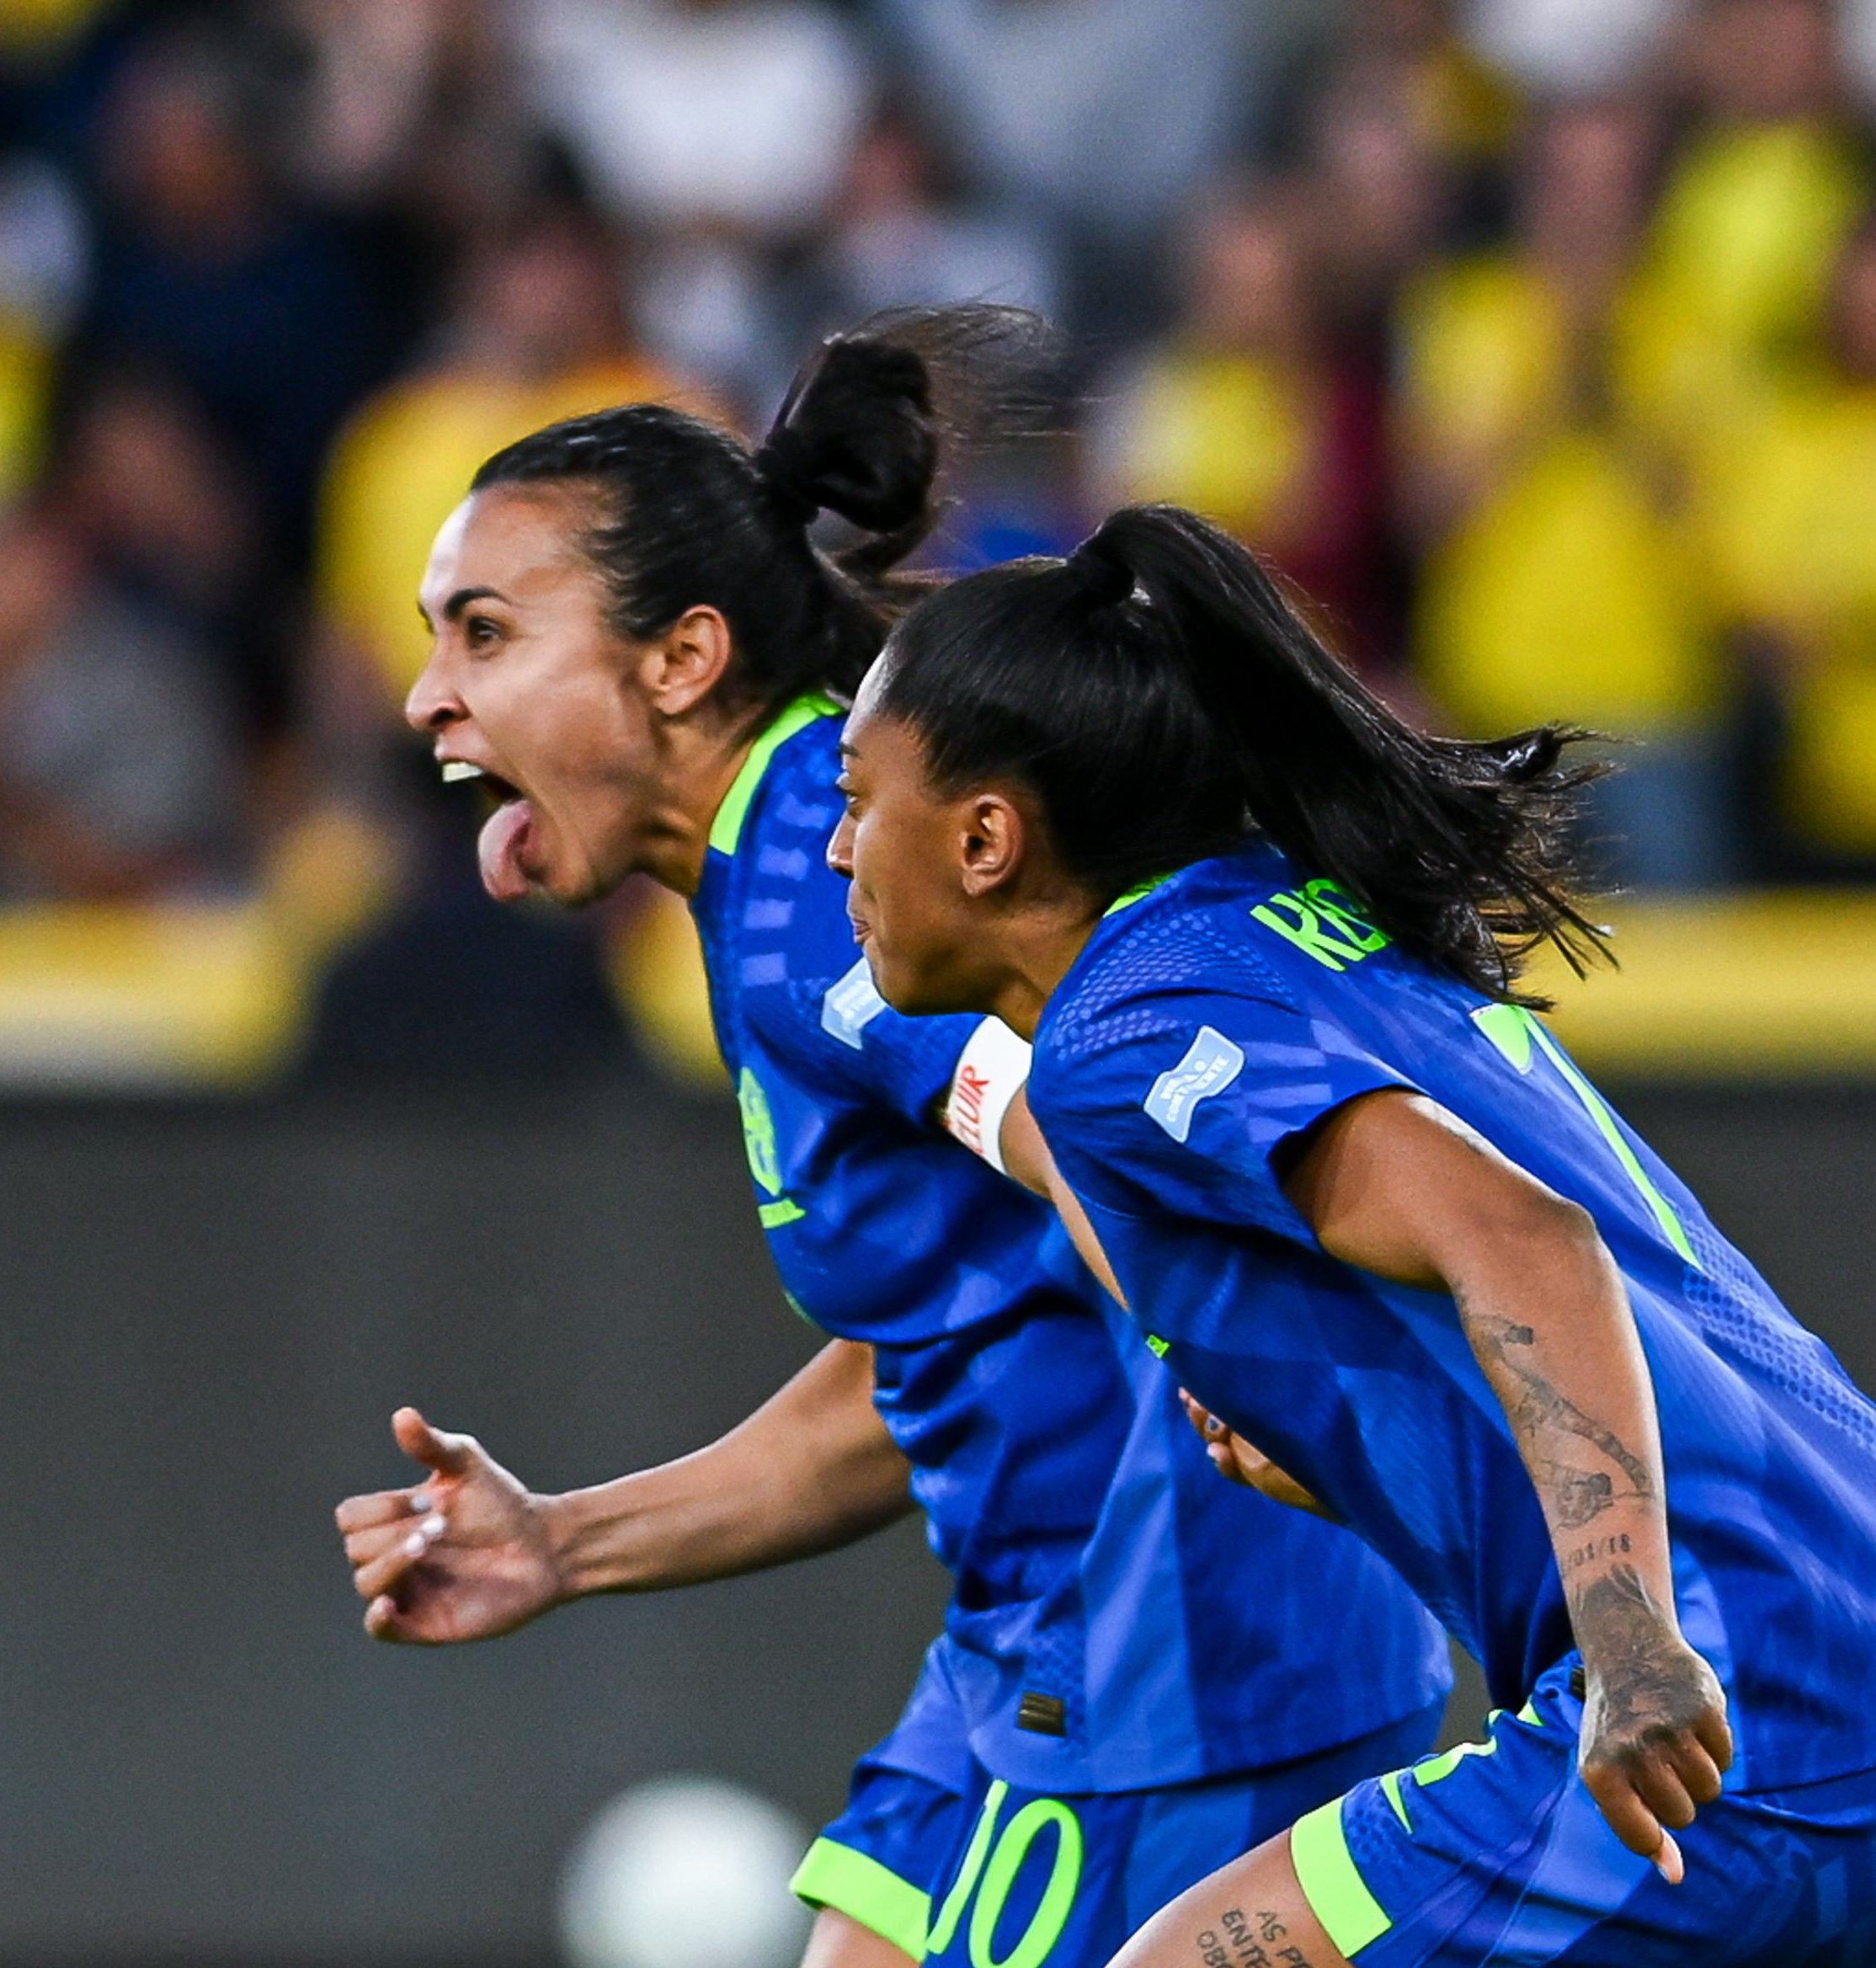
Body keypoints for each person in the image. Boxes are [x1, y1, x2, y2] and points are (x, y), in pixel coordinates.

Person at [333, 311, 1453, 1968]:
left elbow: (1104, 1135)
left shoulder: (828, 881)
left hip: (1174, 1663)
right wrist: (565, 1540)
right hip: (1038, 1651)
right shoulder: (789, 854)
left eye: (485, 633)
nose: (428, 693)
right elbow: (928, 1355)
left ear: (680, 659)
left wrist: (1277, 1412)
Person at [826, 501, 1876, 1966]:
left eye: (855, 797)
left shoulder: (1124, 1027)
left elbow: (1527, 1240)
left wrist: (1633, 1636)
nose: (836, 849)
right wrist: (1336, 1450)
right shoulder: (1296, 918)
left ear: (986, 837)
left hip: (1736, 1705)